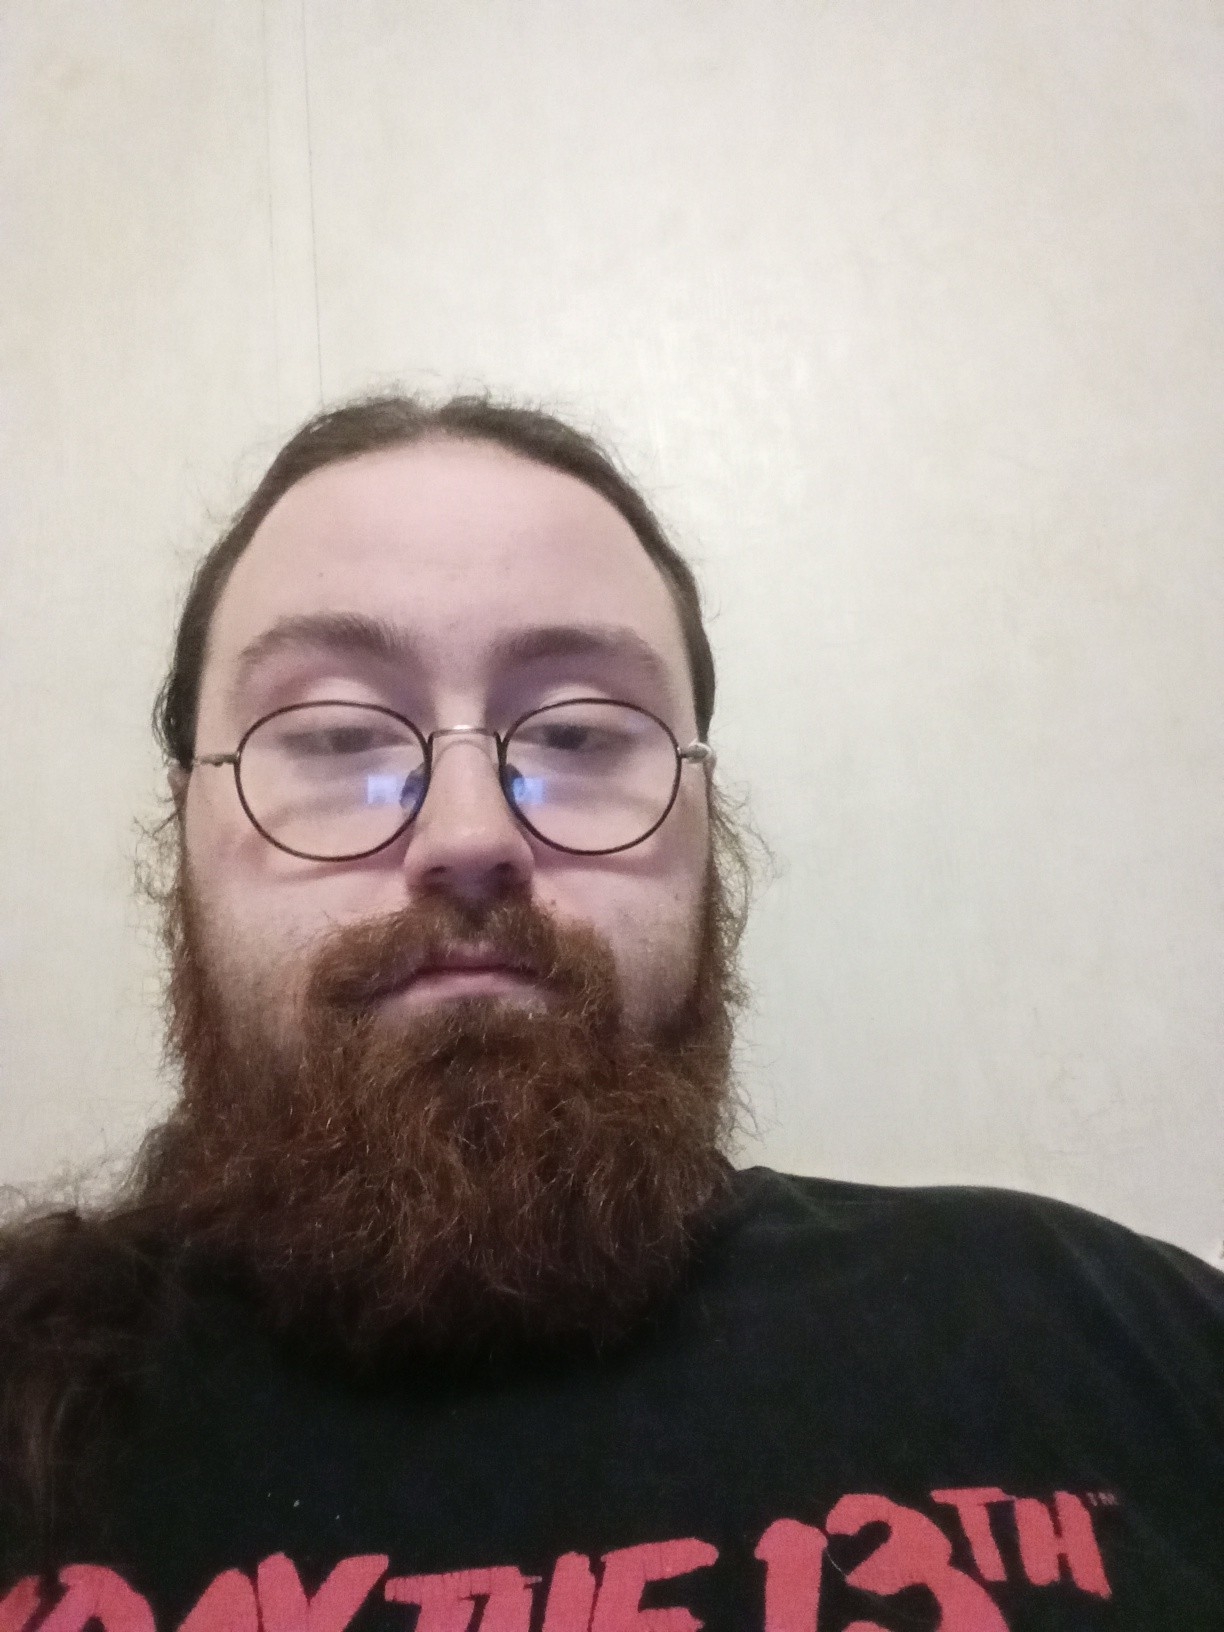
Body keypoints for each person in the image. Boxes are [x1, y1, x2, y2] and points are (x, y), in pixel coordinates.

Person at [1, 394, 1221, 1632]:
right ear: (183, 824)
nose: (469, 834)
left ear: (707, 821)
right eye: (337, 736)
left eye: (581, 736)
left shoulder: (1098, 1336)